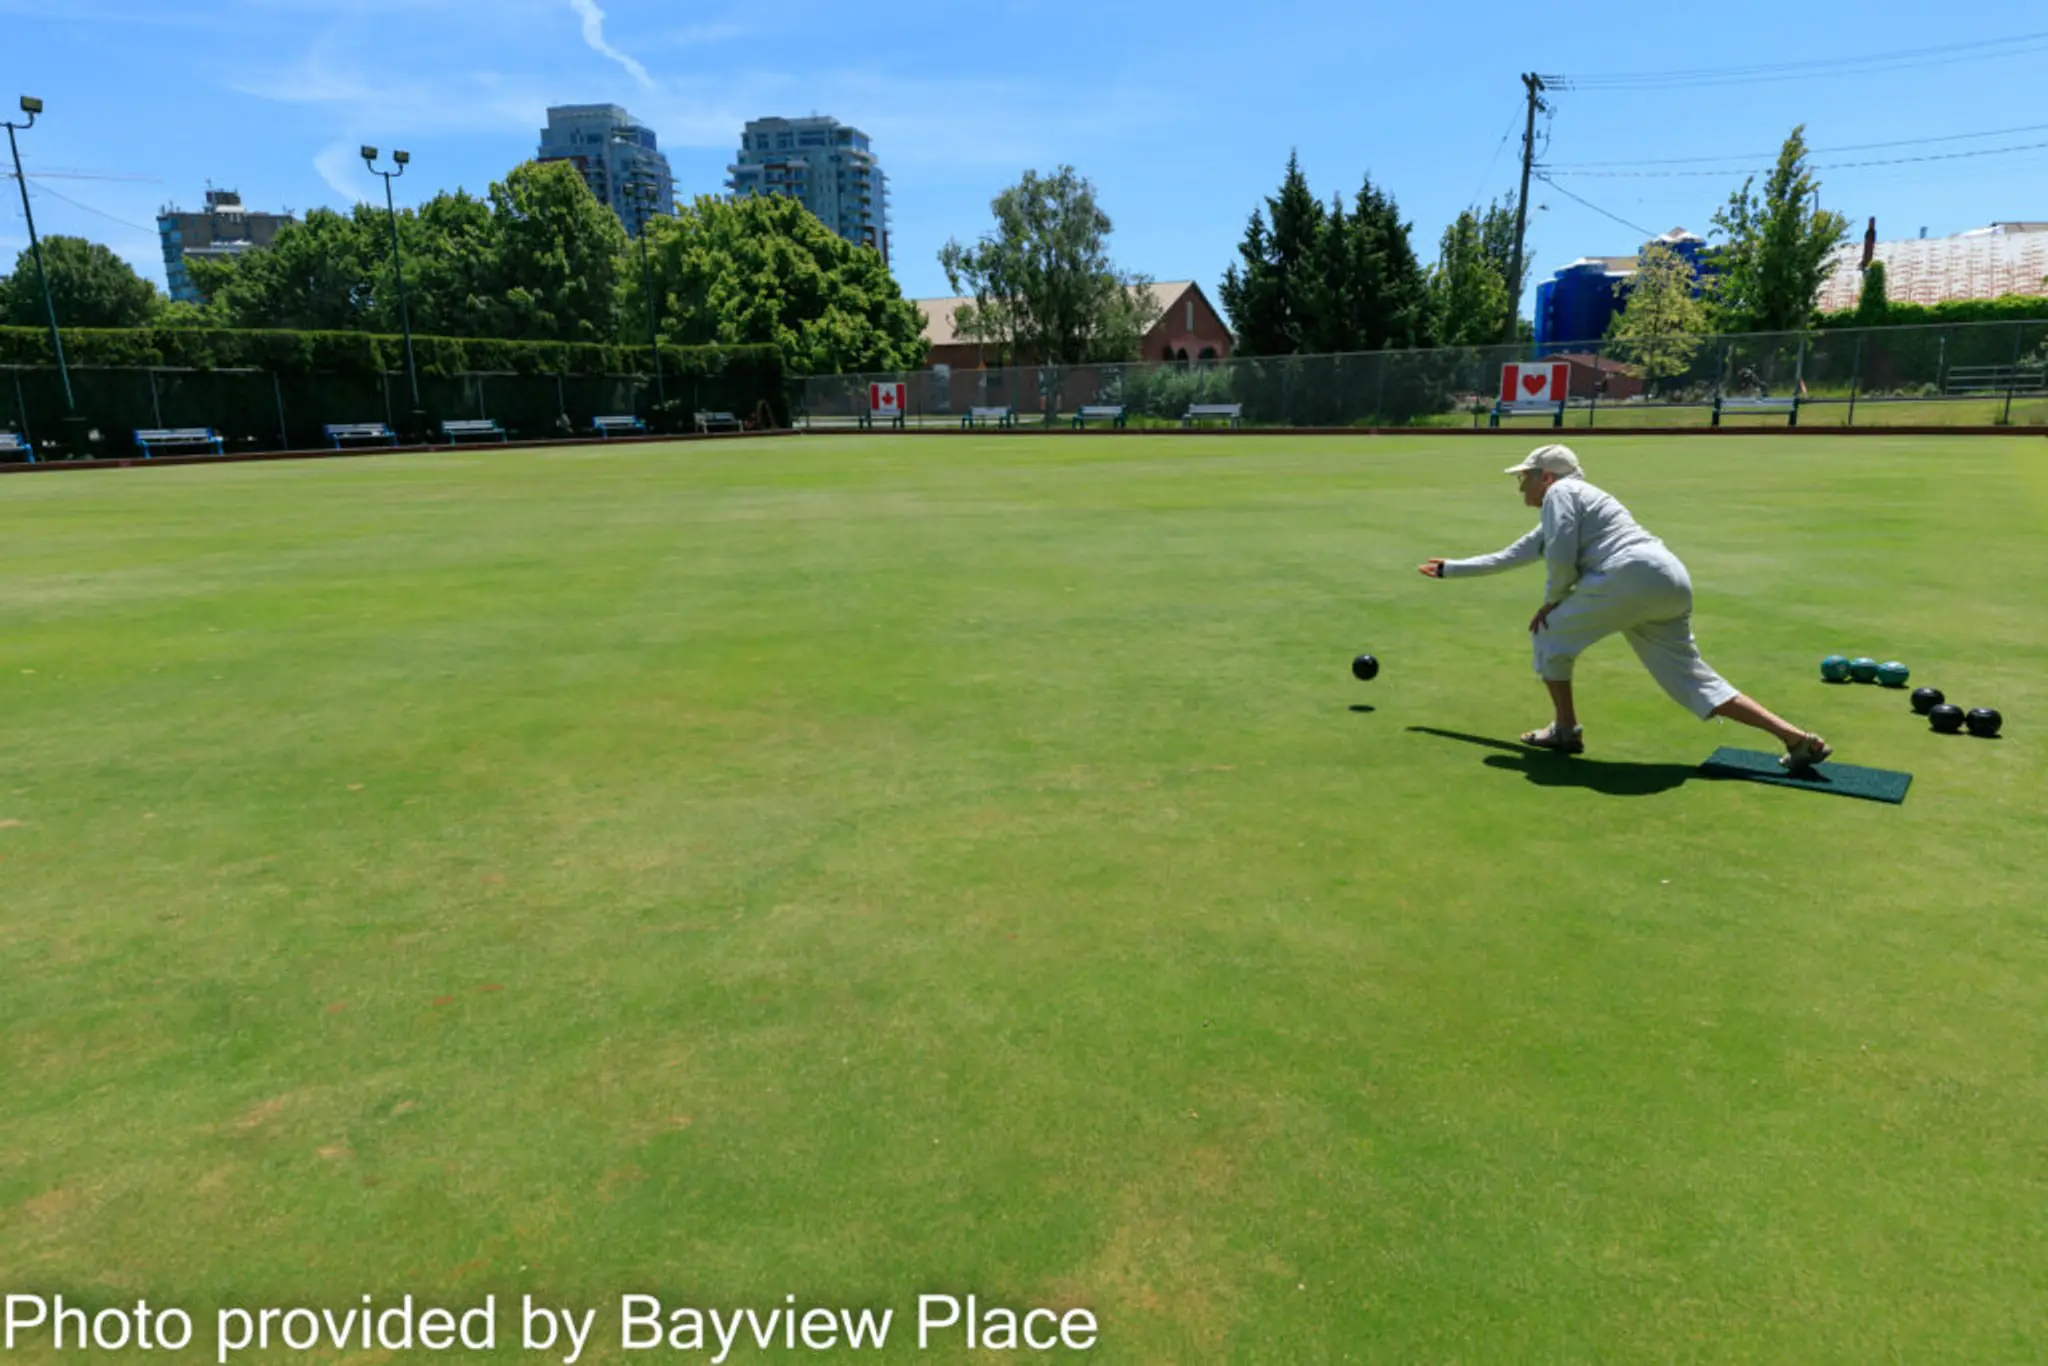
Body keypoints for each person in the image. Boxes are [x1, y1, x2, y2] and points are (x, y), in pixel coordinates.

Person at [1417, 443, 1833, 769]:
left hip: (1629, 576)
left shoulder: (1562, 493)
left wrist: (1552, 603)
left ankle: (1565, 730)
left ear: (1547, 476)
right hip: (1668, 579)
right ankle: (1795, 739)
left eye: (1525, 476)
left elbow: (1561, 554)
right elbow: (1511, 555)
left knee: (1549, 633)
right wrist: (1452, 569)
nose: (1520, 484)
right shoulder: (1572, 503)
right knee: (1692, 678)